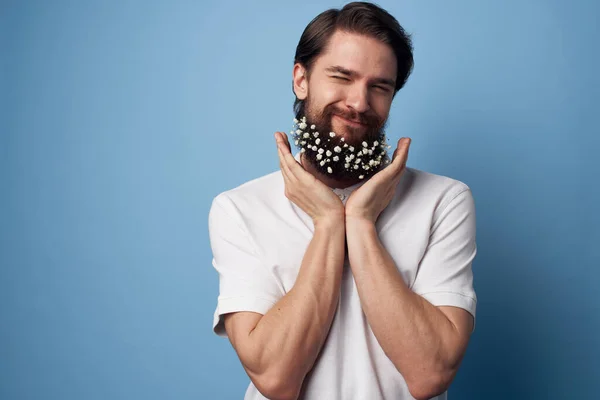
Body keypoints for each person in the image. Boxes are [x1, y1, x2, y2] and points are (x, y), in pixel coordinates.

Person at [208, 2, 477, 399]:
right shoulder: (239, 209)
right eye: (342, 77)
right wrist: (329, 221)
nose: (359, 102)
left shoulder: (444, 201)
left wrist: (361, 223)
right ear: (301, 79)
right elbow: (276, 379)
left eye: (379, 87)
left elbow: (430, 372)